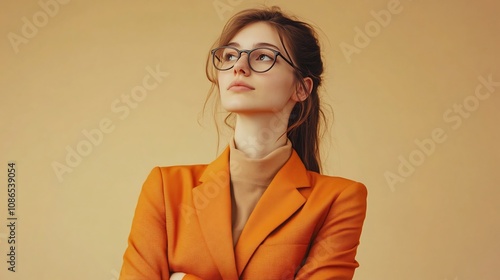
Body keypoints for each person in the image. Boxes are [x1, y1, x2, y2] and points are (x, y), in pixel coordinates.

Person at [120, 6, 367, 280]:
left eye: (262, 56)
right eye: (230, 55)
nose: (239, 66)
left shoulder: (339, 199)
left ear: (302, 88)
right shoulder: (166, 188)